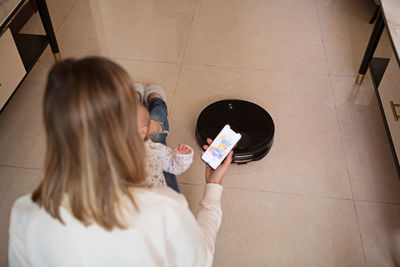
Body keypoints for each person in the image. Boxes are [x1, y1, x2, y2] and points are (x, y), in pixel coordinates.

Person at [8, 57, 232, 267]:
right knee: (158, 135)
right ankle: (156, 101)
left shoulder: (25, 214)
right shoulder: (164, 208)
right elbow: (201, 258)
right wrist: (213, 188)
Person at [136, 102, 193, 187]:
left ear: (142, 132)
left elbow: (174, 166)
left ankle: (156, 101)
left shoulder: (155, 150)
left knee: (156, 128)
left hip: (156, 197)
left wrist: (182, 157)